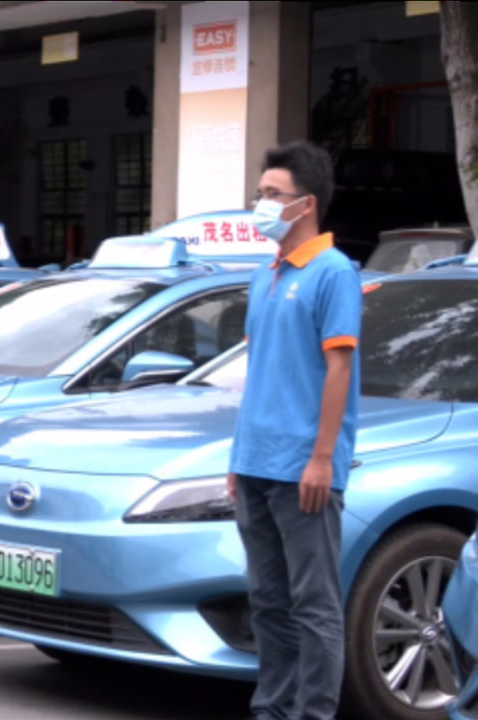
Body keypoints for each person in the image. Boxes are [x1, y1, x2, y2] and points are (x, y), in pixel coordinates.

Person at [229, 141, 361, 720]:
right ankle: (273, 710)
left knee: (314, 605)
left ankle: (312, 713)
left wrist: (322, 459)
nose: (260, 205)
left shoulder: (334, 272)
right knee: (268, 602)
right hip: (256, 463)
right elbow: (260, 374)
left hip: (302, 469)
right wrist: (238, 457)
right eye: (259, 194)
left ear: (304, 204)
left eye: (271, 195)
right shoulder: (267, 275)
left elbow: (339, 367)